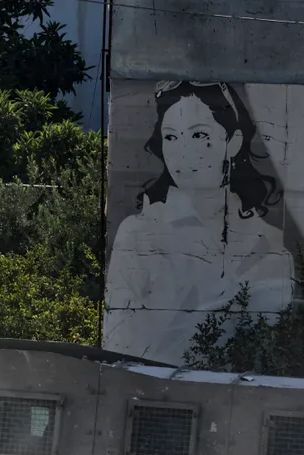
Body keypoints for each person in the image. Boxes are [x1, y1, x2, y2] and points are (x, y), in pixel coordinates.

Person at [106, 81, 294, 363]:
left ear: (233, 142)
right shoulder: (138, 233)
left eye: (198, 135)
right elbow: (119, 340)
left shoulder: (270, 245)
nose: (182, 152)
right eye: (170, 137)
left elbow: (270, 347)